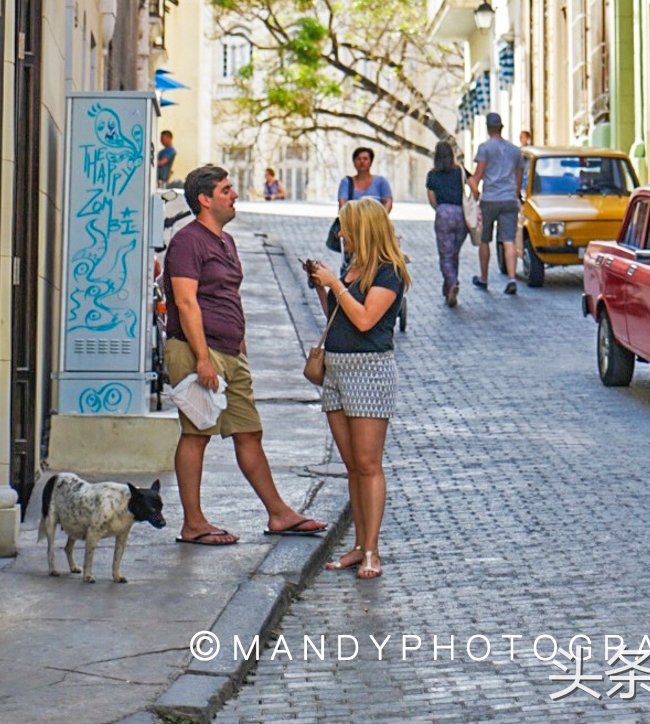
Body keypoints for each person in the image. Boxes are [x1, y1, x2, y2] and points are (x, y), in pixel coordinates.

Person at [162, 164, 326, 545]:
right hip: (196, 351)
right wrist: (202, 358)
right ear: (205, 200)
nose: (234, 195)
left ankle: (280, 514)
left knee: (249, 432)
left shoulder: (226, 242)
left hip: (231, 353)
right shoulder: (188, 242)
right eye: (226, 190)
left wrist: (241, 347)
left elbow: (228, 297)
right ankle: (194, 523)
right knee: (196, 434)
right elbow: (187, 302)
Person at [306, 198, 409, 580]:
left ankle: (373, 551)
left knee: (368, 465)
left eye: (346, 227)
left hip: (369, 372)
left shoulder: (389, 272)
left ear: (363, 228)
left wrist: (335, 282)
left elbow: (365, 321)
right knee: (351, 466)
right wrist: (324, 288)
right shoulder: (352, 267)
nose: (340, 234)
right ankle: (357, 545)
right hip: (336, 369)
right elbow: (341, 318)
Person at [470, 112, 524, 295]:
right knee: (509, 240)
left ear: (488, 128)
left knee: (484, 239)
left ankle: (484, 278)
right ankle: (512, 278)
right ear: (501, 127)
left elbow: (478, 176)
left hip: (490, 199)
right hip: (509, 199)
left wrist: (475, 193)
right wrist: (515, 196)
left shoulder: (485, 148)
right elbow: (518, 178)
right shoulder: (515, 150)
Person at [425, 140, 472, 307]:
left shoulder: (432, 175)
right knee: (454, 253)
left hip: (443, 213)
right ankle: (449, 288)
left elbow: (431, 198)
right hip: (461, 214)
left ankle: (452, 283)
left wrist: (440, 209)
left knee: (445, 254)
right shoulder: (459, 171)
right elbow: (474, 185)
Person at [337, 146, 393, 214]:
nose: (362, 161)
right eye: (358, 159)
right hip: (353, 222)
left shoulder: (381, 181)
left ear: (371, 162)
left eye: (365, 159)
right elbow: (342, 204)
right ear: (354, 162)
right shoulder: (346, 182)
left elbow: (388, 201)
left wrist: (382, 218)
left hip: (376, 221)